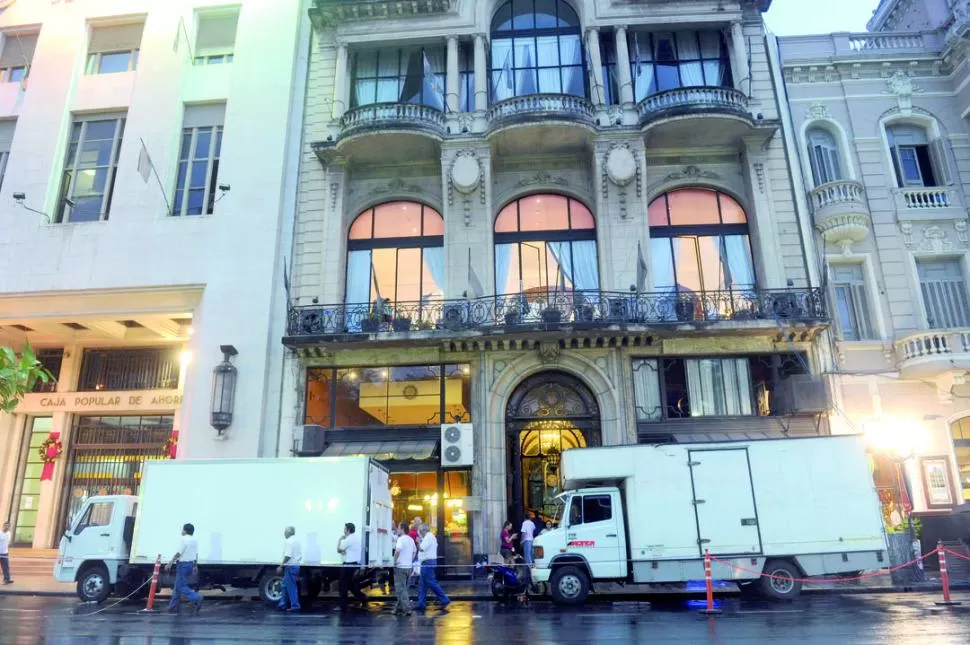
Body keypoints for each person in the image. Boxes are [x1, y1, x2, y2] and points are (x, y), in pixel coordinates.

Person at [167, 523, 202, 614]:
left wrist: (170, 562)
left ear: (185, 530)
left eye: (182, 529)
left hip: (183, 565)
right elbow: (196, 554)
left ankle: (196, 597)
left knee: (180, 586)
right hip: (191, 564)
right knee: (177, 586)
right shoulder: (195, 541)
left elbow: (179, 553)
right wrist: (195, 566)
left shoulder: (183, 539)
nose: (181, 531)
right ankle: (172, 606)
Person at [415, 523, 450, 611]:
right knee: (422, 584)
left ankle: (444, 599)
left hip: (427, 562)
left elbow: (421, 548)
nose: (419, 533)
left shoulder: (428, 537)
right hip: (428, 562)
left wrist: (418, 541)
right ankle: (421, 604)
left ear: (423, 530)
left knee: (431, 582)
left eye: (420, 531)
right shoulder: (430, 537)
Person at [336, 522, 368, 611]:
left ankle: (343, 605)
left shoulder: (348, 539)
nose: (343, 530)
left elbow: (339, 549)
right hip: (355, 564)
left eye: (344, 528)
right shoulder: (357, 538)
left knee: (342, 585)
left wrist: (340, 540)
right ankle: (363, 597)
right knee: (351, 585)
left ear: (348, 530)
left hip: (348, 565)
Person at [392, 521, 415, 616]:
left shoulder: (401, 539)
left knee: (401, 589)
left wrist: (394, 561)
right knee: (404, 588)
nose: (397, 529)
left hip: (400, 567)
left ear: (402, 529)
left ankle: (407, 609)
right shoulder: (410, 539)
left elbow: (397, 551)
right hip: (409, 567)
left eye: (398, 527)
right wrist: (410, 560)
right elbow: (414, 551)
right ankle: (398, 609)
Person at [277, 526, 301, 612]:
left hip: (290, 566)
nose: (284, 533)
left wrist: (281, 565)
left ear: (288, 532)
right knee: (284, 585)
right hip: (295, 566)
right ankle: (282, 604)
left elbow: (288, 555)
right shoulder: (296, 541)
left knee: (291, 587)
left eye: (285, 531)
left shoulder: (289, 541)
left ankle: (295, 605)